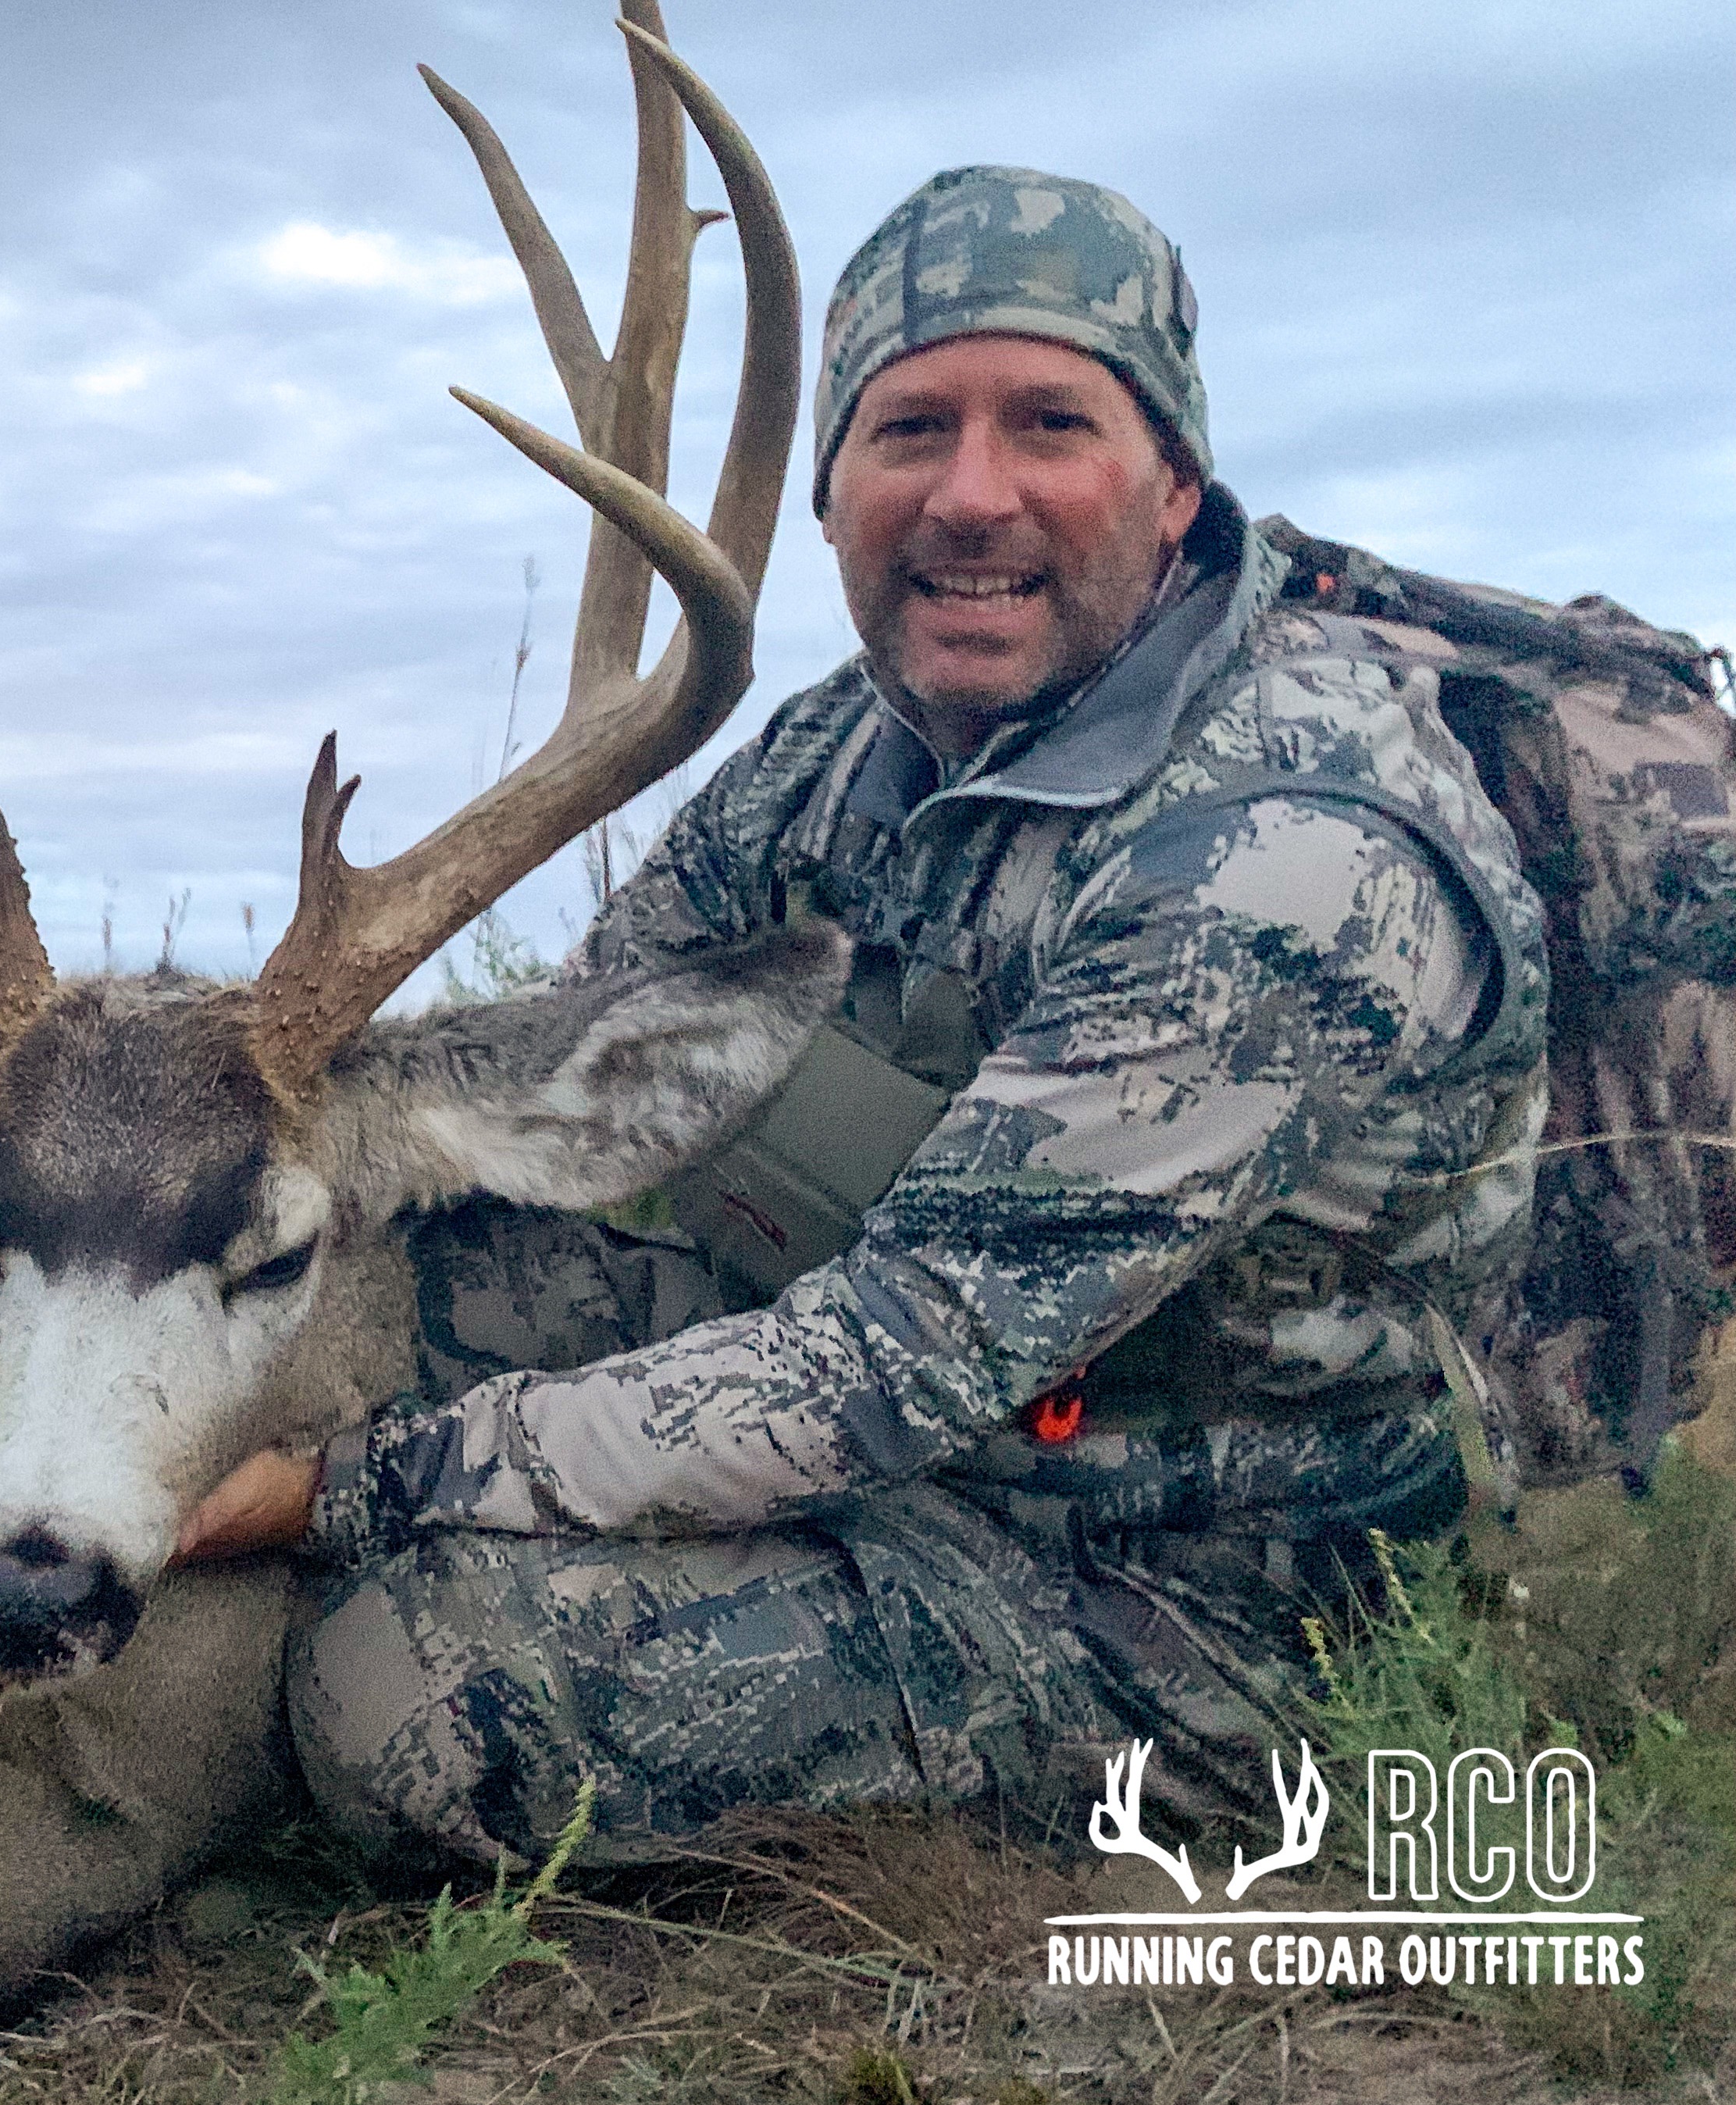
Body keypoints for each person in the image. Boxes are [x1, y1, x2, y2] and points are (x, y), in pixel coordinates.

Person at [175, 166, 1552, 1863]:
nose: (971, 497)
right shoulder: (849, 744)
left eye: (1051, 423)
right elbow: (578, 1059)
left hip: (1185, 1590)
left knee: (407, 1691)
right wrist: (224, 1128)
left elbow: (896, 1360)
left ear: (1177, 490)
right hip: (884, 1401)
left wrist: (355, 1482)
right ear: (831, 496)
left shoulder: (1287, 855)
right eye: (908, 432)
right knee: (340, 1297)